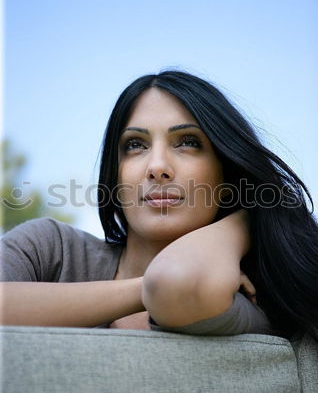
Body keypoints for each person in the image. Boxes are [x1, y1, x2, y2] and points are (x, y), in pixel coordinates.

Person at [1, 70, 317, 340]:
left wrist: (251, 215)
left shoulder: (246, 297)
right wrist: (142, 291)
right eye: (135, 145)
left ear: (227, 176)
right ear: (115, 175)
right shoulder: (50, 250)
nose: (157, 166)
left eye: (188, 143)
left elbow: (178, 283)